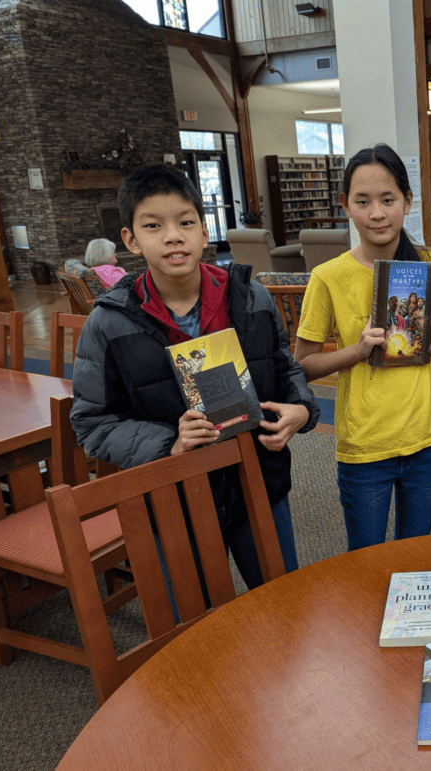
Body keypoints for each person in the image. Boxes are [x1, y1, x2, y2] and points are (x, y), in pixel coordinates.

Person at [70, 163, 320, 589]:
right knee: (195, 621)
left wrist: (301, 409)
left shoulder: (250, 297)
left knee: (284, 602)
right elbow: (93, 422)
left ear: (204, 232)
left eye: (186, 222)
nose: (173, 236)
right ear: (130, 239)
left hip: (257, 479)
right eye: (153, 225)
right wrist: (170, 442)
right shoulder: (108, 323)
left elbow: (284, 367)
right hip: (175, 495)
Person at [294, 144, 431, 551]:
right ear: (346, 206)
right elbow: (304, 365)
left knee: (415, 553)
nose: (377, 213)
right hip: (365, 444)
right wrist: (357, 349)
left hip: (427, 434)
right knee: (364, 560)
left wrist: (414, 329)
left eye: (388, 200)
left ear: (407, 202)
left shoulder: (429, 262)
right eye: (362, 202)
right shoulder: (327, 276)